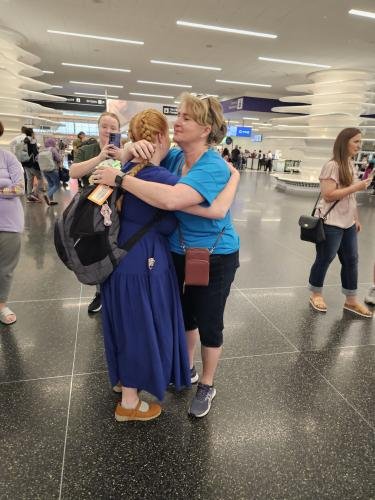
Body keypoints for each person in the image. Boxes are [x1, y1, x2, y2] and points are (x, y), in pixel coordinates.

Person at [94, 93, 240, 418]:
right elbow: (145, 160)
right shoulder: (175, 157)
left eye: (187, 117)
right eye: (179, 115)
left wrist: (121, 178)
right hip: (177, 249)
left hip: (213, 254)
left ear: (206, 128)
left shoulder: (214, 165)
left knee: (209, 321)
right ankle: (185, 368)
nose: (178, 120)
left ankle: (207, 384)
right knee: (184, 315)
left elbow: (171, 199)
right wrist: (132, 149)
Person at [308, 128, 373, 318]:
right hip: (331, 222)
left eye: (360, 142)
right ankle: (316, 293)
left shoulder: (350, 164)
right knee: (324, 258)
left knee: (351, 260)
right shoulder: (332, 165)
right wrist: (358, 186)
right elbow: (328, 196)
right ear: (344, 142)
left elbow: (350, 197)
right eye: (356, 142)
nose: (359, 146)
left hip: (348, 223)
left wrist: (356, 219)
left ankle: (351, 300)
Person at [70, 113, 120, 314]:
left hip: (118, 206)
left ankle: (116, 291)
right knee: (97, 248)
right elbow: (74, 172)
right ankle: (100, 292)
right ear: (98, 128)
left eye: (113, 128)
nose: (109, 131)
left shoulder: (123, 151)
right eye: (105, 127)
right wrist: (100, 158)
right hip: (92, 208)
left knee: (116, 246)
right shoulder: (88, 149)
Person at [0, 122, 25, 325]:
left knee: (5, 268)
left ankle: (1, 304)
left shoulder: (8, 158)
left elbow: (19, 188)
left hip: (8, 223)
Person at [23, 128, 43, 202]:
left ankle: (29, 195)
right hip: (33, 164)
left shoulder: (24, 140)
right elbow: (35, 153)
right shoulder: (33, 141)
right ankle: (35, 194)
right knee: (40, 178)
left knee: (29, 179)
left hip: (25, 163)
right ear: (32, 133)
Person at [39, 137, 61, 206]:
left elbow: (37, 158)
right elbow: (58, 158)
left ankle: (51, 200)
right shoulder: (53, 149)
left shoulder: (42, 150)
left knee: (50, 184)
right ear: (52, 143)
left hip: (44, 170)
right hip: (52, 169)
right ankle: (47, 195)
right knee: (57, 185)